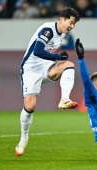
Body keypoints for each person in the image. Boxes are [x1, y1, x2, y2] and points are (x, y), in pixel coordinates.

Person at [15, 7, 80, 156]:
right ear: (62, 19)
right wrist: (58, 57)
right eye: (71, 22)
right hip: (30, 69)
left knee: (69, 65)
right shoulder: (48, 30)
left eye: (74, 24)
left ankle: (64, 99)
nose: (72, 26)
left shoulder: (62, 34)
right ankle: (24, 139)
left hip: (46, 67)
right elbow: (37, 51)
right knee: (30, 107)